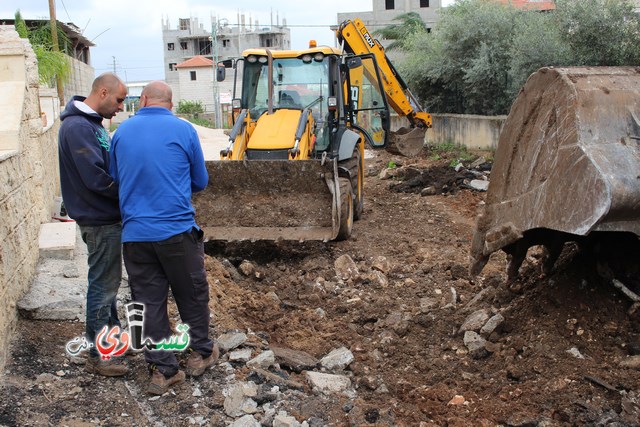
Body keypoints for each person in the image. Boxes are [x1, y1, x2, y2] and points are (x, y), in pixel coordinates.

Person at [110, 81, 218, 395]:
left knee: (148, 302)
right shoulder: (184, 131)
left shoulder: (121, 133)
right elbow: (200, 180)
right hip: (176, 232)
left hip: (136, 236)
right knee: (192, 293)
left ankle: (163, 369)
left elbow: (117, 178)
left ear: (142, 100)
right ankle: (200, 352)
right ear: (170, 104)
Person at [58, 72, 129, 376]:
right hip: (99, 220)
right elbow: (96, 178)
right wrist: (129, 194)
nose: (121, 107)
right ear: (102, 92)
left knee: (108, 285)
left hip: (104, 218)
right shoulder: (76, 128)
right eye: (119, 100)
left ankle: (110, 343)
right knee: (103, 286)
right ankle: (100, 355)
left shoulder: (90, 126)